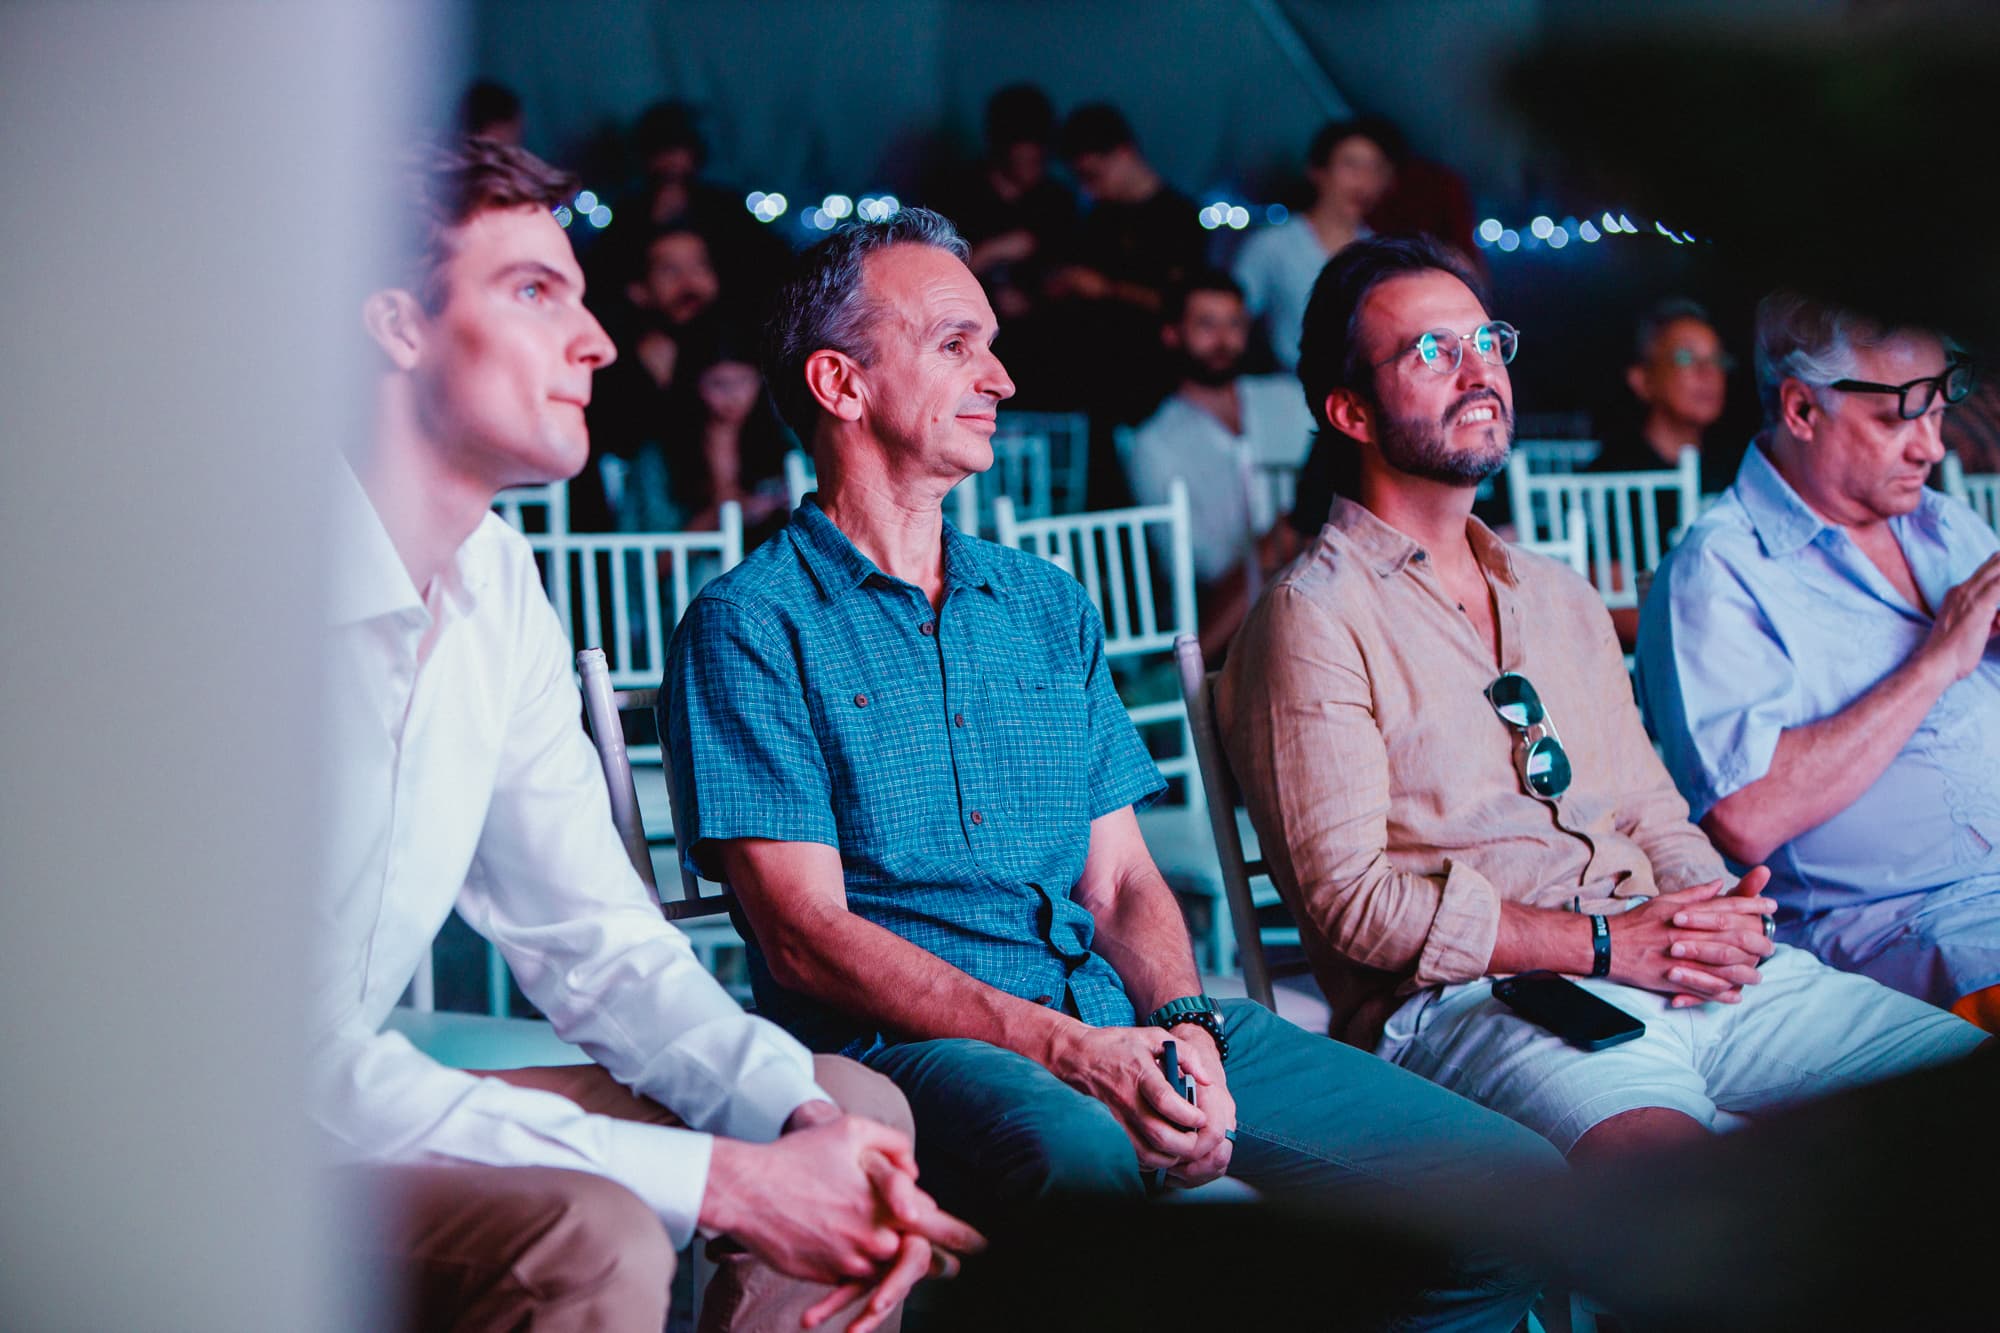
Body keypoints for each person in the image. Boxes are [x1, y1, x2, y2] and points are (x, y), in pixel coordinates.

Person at [665, 206, 1560, 1333]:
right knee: (1086, 1166)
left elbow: (1123, 883)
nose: (999, 375)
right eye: (955, 344)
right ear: (841, 386)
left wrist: (1183, 1021)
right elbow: (804, 933)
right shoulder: (752, 624)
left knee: (1503, 1189)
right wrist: (1062, 1047)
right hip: (917, 1049)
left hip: (1113, 1016)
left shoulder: (1043, 603)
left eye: (990, 343)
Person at [321, 138, 979, 1333]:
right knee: (595, 1228)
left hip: (335, 1093)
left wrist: (796, 1127)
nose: (599, 342)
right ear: (394, 324)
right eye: (532, 291)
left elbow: (597, 938)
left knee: (850, 1106)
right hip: (150, 1139)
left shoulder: (493, 577)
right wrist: (727, 1181)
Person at [1217, 236, 1986, 1163]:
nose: (1478, 372)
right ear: (1349, 410)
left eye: (1486, 341)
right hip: (1482, 1000)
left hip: (1672, 962)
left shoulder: (1559, 595)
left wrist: (1713, 911)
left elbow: (1651, 809)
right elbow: (1355, 903)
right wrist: (1603, 944)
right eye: (1431, 351)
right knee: (1691, 1213)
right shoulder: (1315, 614)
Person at [1638, 291, 2000, 1030]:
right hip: (1910, 936)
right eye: (1900, 415)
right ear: (1802, 410)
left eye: (1939, 410)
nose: (1932, 447)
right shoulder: (1717, 572)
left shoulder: (1942, 522)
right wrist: (1935, 662)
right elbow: (1746, 815)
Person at [1125, 269, 1315, 654]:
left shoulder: (1289, 399)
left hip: (1321, 580)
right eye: (1206, 325)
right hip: (1227, 608)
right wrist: (1279, 539)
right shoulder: (1153, 443)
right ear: (1173, 334)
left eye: (1234, 324)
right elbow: (1190, 566)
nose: (1224, 341)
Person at [1041, 103, 1206, 433]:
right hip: (1094, 383)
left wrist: (1105, 289)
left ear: (1125, 153)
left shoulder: (1178, 217)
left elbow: (1183, 305)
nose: (1088, 188)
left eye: (1093, 175)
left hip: (1156, 384)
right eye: (1081, 179)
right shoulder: (1096, 218)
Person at [574, 222, 725, 531]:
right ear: (639, 290)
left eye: (700, 266)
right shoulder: (612, 363)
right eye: (670, 271)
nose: (690, 283)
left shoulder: (735, 359)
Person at [1232, 118, 1399, 371]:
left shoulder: (1381, 252)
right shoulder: (1272, 244)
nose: (1363, 180)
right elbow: (1231, 316)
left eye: (1374, 169)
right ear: (1318, 172)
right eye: (1351, 165)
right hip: (1290, 391)